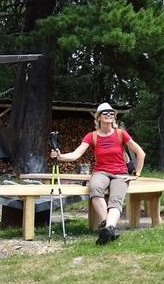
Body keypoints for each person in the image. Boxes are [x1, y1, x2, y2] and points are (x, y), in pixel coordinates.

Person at [50, 102, 146, 245]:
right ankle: (109, 228)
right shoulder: (92, 136)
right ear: (98, 117)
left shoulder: (120, 133)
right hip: (101, 172)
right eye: (105, 113)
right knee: (94, 188)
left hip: (120, 173)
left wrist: (136, 174)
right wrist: (60, 156)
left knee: (116, 199)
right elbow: (76, 154)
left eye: (112, 113)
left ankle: (107, 228)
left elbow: (140, 153)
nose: (109, 115)